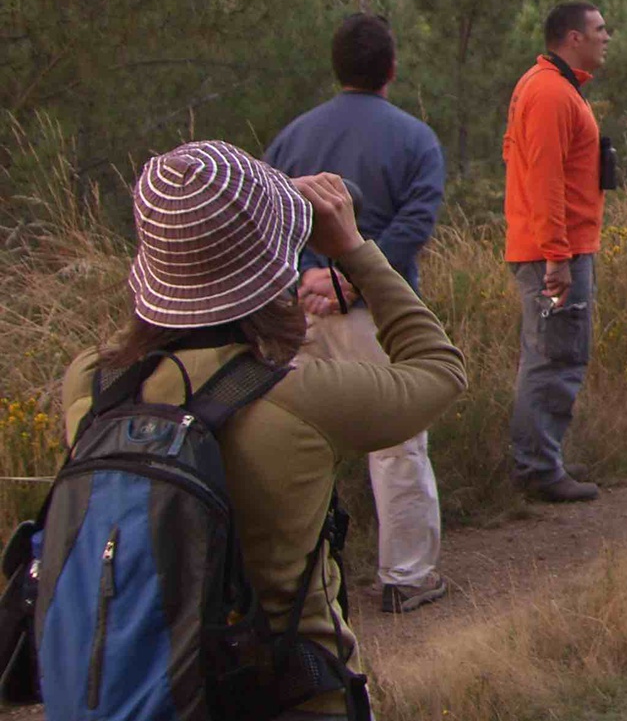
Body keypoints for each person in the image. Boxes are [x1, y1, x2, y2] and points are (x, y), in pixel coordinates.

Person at [62, 141, 466, 718]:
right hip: (289, 694)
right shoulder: (304, 397)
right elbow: (439, 369)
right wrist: (351, 248)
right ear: (269, 265)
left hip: (136, 690)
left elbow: (155, 329)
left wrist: (188, 250)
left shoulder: (90, 385)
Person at [263, 13, 451, 614]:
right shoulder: (415, 138)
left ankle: (294, 580)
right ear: (392, 69)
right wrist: (350, 279)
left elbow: (265, 224)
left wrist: (304, 279)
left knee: (286, 444)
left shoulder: (292, 138)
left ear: (337, 66)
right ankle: (407, 577)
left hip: (298, 312)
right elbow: (414, 226)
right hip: (378, 315)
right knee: (396, 446)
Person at [503, 0, 612, 502]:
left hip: (556, 245)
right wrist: (556, 256)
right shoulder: (549, 93)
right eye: (598, 29)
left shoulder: (551, 87)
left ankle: (542, 458)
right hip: (554, 250)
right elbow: (544, 178)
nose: (605, 37)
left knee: (551, 352)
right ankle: (538, 470)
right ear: (572, 38)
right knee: (554, 355)